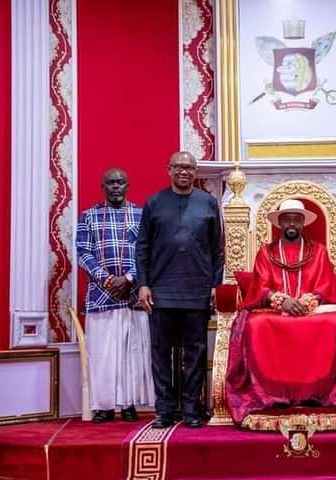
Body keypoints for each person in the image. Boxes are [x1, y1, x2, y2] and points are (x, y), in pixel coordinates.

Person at [225, 199, 336, 426]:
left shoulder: (318, 251)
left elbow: (326, 285)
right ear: (279, 223)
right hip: (274, 310)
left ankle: (316, 395)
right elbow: (260, 287)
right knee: (255, 324)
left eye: (296, 219)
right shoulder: (265, 252)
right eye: (287, 219)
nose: (291, 223)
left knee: (334, 322)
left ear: (303, 223)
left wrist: (308, 301)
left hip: (313, 310)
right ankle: (272, 396)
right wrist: (281, 300)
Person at [136, 151, 224, 429]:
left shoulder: (208, 203)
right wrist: (143, 285)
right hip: (161, 291)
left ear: (195, 171)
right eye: (179, 167)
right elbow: (143, 248)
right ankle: (164, 410)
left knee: (194, 354)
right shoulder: (154, 203)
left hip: (197, 291)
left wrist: (215, 285)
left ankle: (191, 409)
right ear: (169, 170)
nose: (184, 172)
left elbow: (217, 250)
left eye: (189, 167)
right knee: (161, 353)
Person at [76, 168, 154, 423]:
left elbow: (147, 252)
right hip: (101, 296)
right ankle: (104, 406)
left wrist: (129, 278)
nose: (116, 187)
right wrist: (108, 279)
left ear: (128, 185)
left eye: (120, 182)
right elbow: (83, 254)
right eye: (111, 183)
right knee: (103, 354)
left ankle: (129, 404)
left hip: (133, 295)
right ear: (103, 186)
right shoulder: (89, 216)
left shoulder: (142, 215)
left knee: (131, 352)